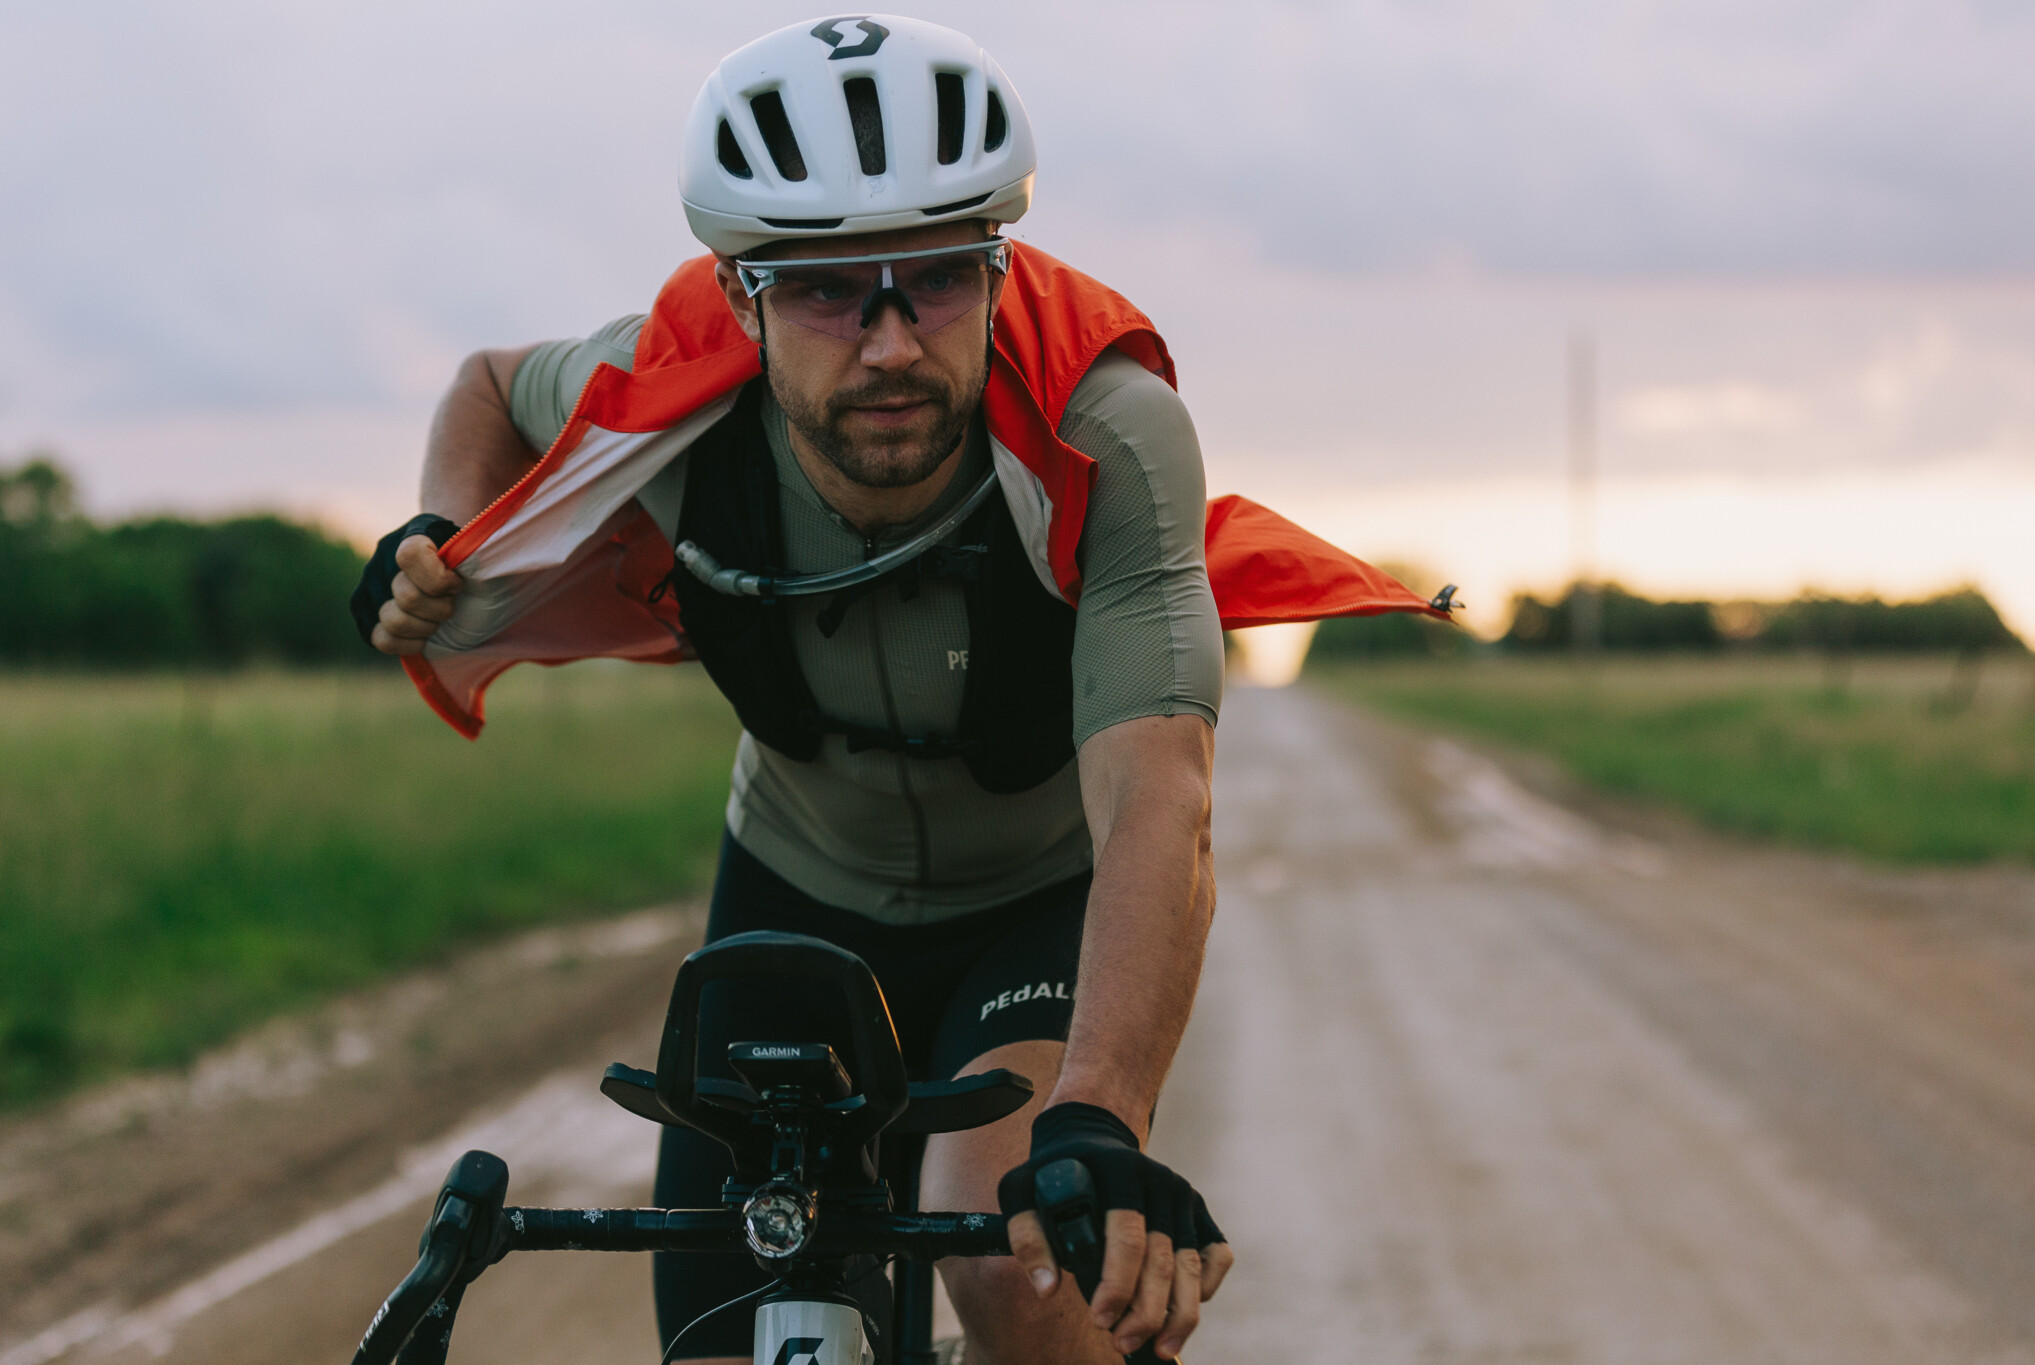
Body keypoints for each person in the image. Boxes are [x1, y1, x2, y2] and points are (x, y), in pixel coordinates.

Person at [352, 16, 1438, 1362]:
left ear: (999, 269)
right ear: (741, 296)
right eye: (826, 292)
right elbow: (487, 387)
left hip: (1033, 901)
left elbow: (1163, 794)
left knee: (1013, 1260)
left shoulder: (1104, 425)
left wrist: (1098, 1115)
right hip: (798, 884)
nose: (887, 345)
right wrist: (440, 529)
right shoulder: (665, 397)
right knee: (726, 1328)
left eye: (934, 280)